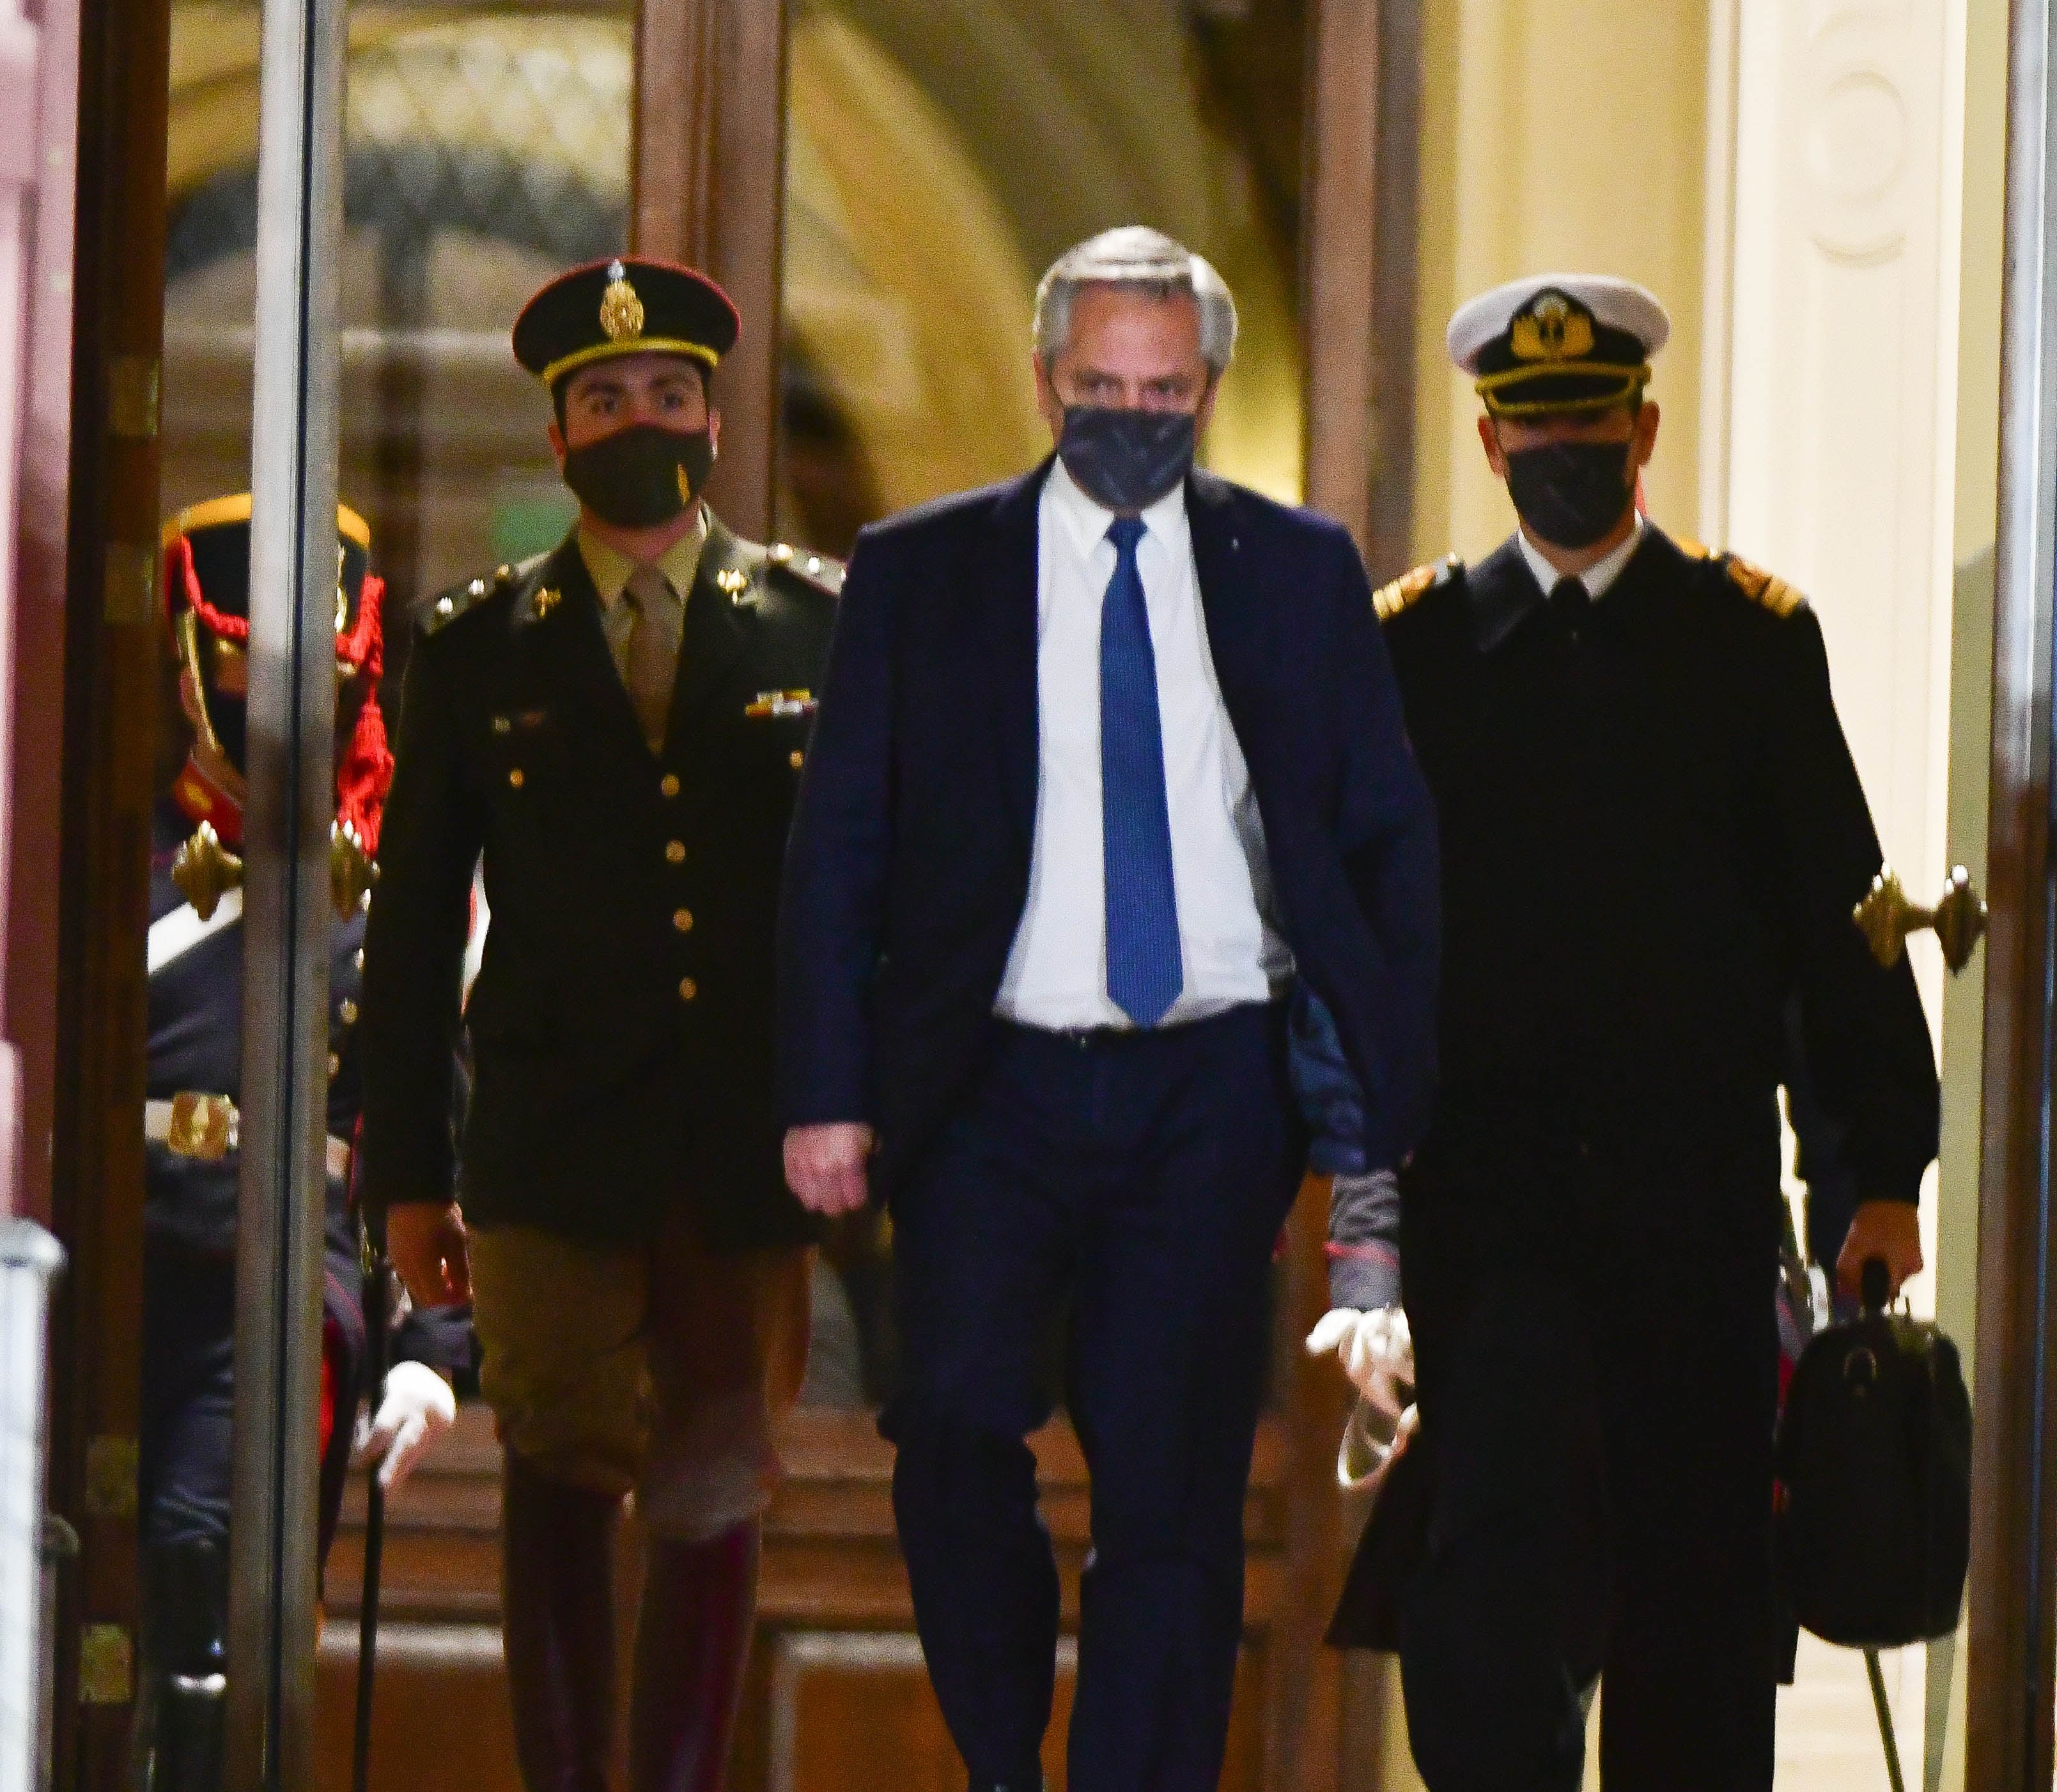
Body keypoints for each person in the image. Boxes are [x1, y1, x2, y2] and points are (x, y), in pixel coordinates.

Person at [775, 225, 1439, 1792]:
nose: (1129, 418)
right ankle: (1004, 1756)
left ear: (1203, 387)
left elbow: (1375, 837)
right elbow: (839, 847)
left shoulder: (1295, 573)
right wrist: (824, 1087)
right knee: (948, 1435)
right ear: (1042, 380)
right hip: (988, 1086)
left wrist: (1366, 1115)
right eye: (1098, 387)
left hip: (1207, 1086)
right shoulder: (920, 574)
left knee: (1173, 1500)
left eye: (1162, 391)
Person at [1317, 275, 1943, 1791]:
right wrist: (1368, 1234)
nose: (1564, 447)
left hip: (1692, 1226)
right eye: (1534, 425)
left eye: (1590, 419)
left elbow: (1834, 933)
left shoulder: (1745, 645)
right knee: (1484, 1621)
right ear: (1487, 441)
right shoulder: (1409, 654)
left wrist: (1873, 1177)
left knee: (1700, 1619)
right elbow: (1360, 962)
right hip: (1491, 1232)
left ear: (1643, 425)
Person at [359, 256, 841, 1792]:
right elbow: (419, 921)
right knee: (558, 1478)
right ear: (558, 436)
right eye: (605, 400)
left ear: (713, 419)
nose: (642, 418)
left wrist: (858, 1114)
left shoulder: (815, 628)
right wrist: (405, 1177)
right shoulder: (481, 642)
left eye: (669, 396)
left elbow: (863, 904)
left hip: (742, 1141)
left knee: (713, 1488)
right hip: (549, 1151)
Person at [137, 495, 469, 1792]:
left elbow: (420, 1122)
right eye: (243, 675)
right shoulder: (114, 855)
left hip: (280, 1280)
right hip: (119, 1264)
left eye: (314, 680)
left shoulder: (375, 885)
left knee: (208, 1576)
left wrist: (433, 1346)